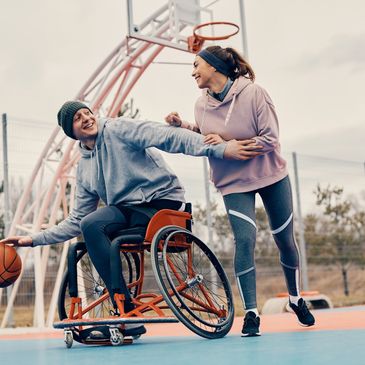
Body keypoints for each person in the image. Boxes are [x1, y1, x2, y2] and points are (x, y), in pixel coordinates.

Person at [1, 100, 260, 338]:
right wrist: (32, 240)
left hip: (162, 201)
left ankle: (125, 313)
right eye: (78, 119)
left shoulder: (119, 129)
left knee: (101, 228)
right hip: (130, 210)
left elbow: (169, 136)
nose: (86, 118)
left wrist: (220, 149)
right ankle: (125, 309)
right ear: (72, 132)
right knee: (89, 224)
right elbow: (76, 218)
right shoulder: (85, 168)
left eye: (87, 112)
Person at [165, 45, 315, 337]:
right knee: (244, 240)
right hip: (233, 182)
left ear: (214, 66)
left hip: (271, 176)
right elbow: (205, 133)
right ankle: (251, 313)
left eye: (197, 65)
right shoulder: (200, 103)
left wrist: (230, 144)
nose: (193, 72)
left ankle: (295, 299)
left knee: (284, 239)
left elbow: (270, 138)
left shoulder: (255, 94)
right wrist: (181, 125)